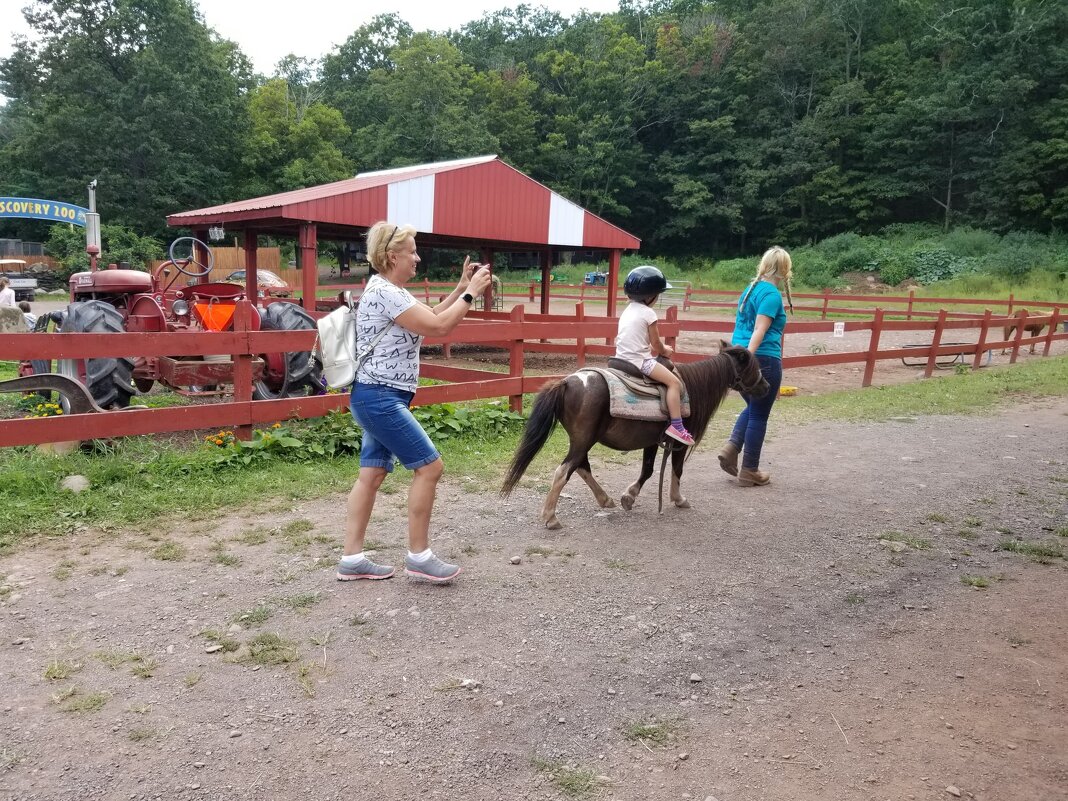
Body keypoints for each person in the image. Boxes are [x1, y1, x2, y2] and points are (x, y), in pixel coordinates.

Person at [338, 221, 493, 584]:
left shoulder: (389, 289)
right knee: (430, 467)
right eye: (412, 252)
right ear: (393, 256)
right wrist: (471, 293)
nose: (418, 258)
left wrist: (458, 289)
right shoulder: (387, 292)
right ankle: (419, 557)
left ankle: (352, 559)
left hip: (375, 394)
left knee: (372, 474)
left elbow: (431, 317)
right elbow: (440, 329)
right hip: (381, 397)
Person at [719, 246, 792, 486]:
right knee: (759, 414)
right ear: (784, 269)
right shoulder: (771, 295)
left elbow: (743, 326)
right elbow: (760, 329)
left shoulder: (750, 291)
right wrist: (749, 360)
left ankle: (732, 447)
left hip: (737, 356)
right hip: (763, 359)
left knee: (752, 408)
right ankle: (750, 469)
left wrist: (741, 359)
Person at [615, 265, 695, 446]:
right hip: (639, 361)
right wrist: (666, 350)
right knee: (674, 382)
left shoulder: (627, 310)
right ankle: (677, 426)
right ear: (650, 295)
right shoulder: (648, 313)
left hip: (620, 359)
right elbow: (656, 344)